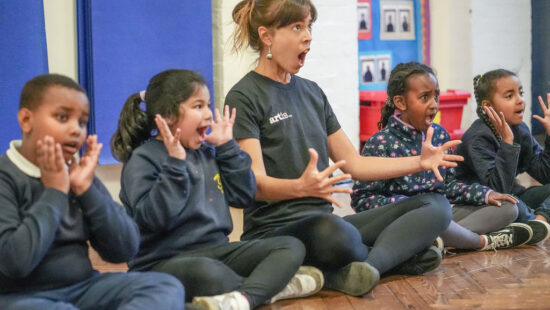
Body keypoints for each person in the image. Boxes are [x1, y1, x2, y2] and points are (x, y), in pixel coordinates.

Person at [225, 0, 464, 297]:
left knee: (436, 207)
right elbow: (255, 184)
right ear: (267, 36)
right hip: (277, 231)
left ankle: (369, 266)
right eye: (297, 27)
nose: (308, 36)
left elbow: (355, 164)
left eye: (309, 26)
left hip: (327, 222)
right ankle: (394, 256)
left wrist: (420, 161)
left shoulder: (312, 92)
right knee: (336, 234)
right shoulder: (243, 97)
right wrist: (300, 187)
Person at [112, 69, 324, 310]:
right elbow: (154, 218)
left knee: (290, 246)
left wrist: (227, 148)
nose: (208, 115)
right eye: (198, 106)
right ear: (169, 115)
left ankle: (244, 298)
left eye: (208, 105)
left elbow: (243, 196)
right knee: (210, 274)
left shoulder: (206, 153)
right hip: (163, 263)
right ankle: (273, 287)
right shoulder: (142, 160)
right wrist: (175, 166)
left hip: (217, 251)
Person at [0, 74, 184, 310]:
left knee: (165, 288)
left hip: (83, 288)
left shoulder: (78, 176)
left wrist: (86, 190)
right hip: (20, 297)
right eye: (62, 117)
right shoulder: (6, 176)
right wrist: (55, 191)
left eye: (82, 122)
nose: (76, 130)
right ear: (26, 120)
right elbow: (16, 262)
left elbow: (124, 249)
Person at [351, 62, 533, 252]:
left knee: (508, 208)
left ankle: (437, 241)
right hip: (405, 220)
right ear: (400, 103)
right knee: (431, 216)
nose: (434, 104)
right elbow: (362, 200)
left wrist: (485, 194)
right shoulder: (380, 142)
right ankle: (469, 240)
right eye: (424, 97)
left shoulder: (439, 135)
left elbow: (449, 186)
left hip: (442, 214)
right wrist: (410, 206)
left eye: (435, 96)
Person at [454, 69, 550, 245]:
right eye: (509, 96)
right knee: (514, 207)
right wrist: (507, 144)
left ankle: (538, 221)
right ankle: (533, 223)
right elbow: (497, 189)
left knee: (518, 204)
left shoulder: (520, 129)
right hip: (480, 201)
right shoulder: (478, 138)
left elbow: (544, 174)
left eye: (521, 93)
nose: (520, 100)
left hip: (512, 195)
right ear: (488, 106)